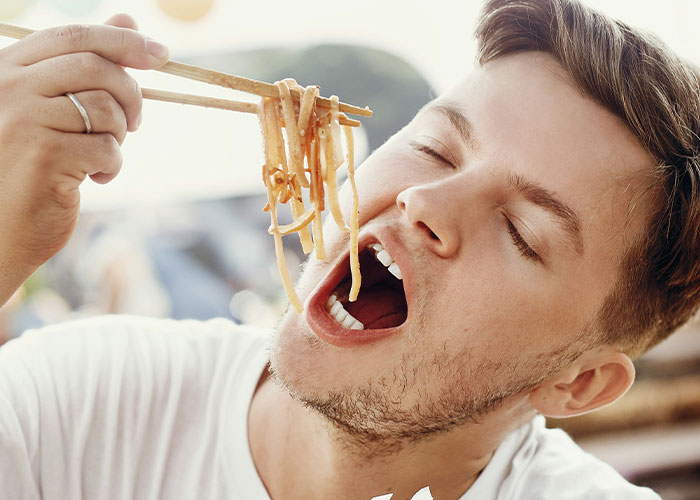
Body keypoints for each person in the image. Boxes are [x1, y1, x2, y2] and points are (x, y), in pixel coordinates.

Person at [0, 0, 697, 498]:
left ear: (575, 385)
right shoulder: (84, 396)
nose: (425, 200)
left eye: (522, 232)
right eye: (433, 147)